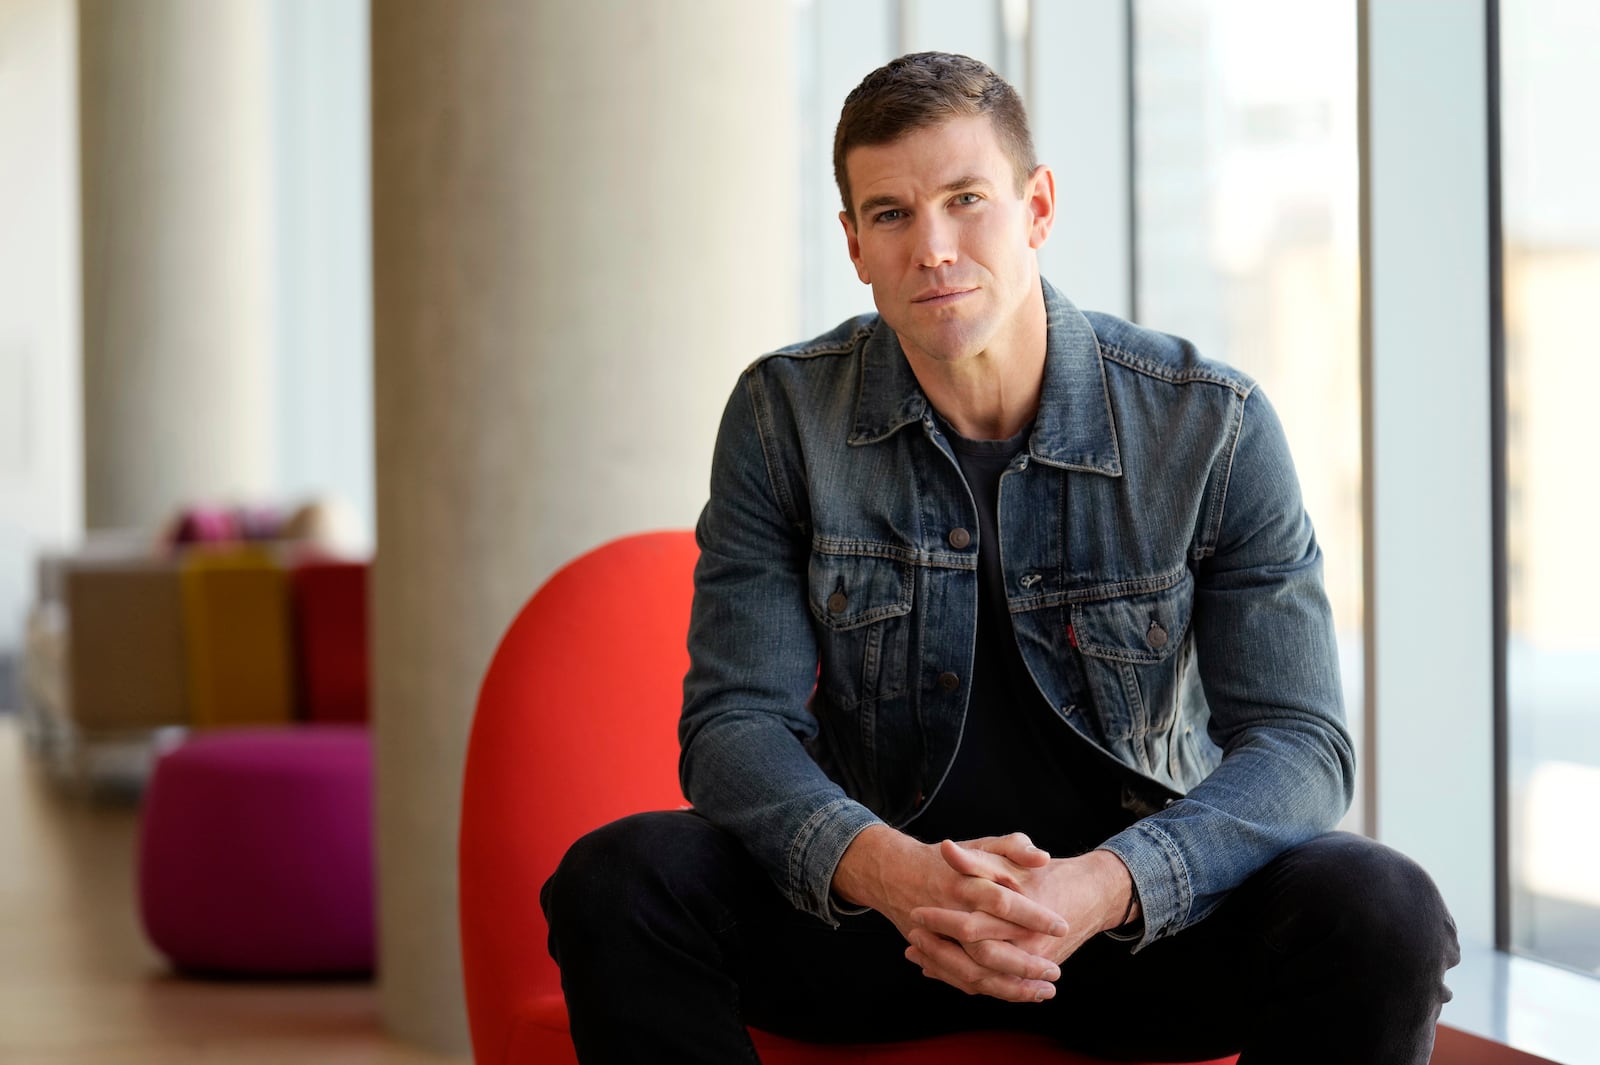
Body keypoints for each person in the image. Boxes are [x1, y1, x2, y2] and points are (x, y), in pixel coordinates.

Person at [542, 51, 1459, 1064]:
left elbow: (1299, 742)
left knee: (1381, 906)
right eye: (890, 214)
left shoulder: (1210, 424)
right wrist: (895, 876)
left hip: (1139, 935)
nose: (932, 248)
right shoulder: (781, 417)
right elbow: (732, 727)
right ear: (853, 244)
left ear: (1037, 206)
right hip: (883, 925)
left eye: (965, 200)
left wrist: (1105, 885)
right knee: (618, 878)